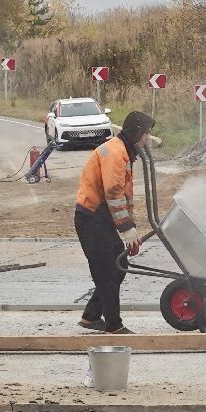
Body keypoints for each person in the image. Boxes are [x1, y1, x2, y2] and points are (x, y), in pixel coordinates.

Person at [74, 110, 155, 334]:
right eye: (146, 133)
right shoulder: (116, 153)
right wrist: (126, 229)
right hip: (91, 217)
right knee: (108, 271)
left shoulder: (125, 153)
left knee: (119, 267)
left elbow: (125, 195)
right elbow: (113, 193)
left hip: (102, 217)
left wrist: (131, 229)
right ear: (137, 132)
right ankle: (113, 325)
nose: (147, 138)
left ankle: (91, 316)